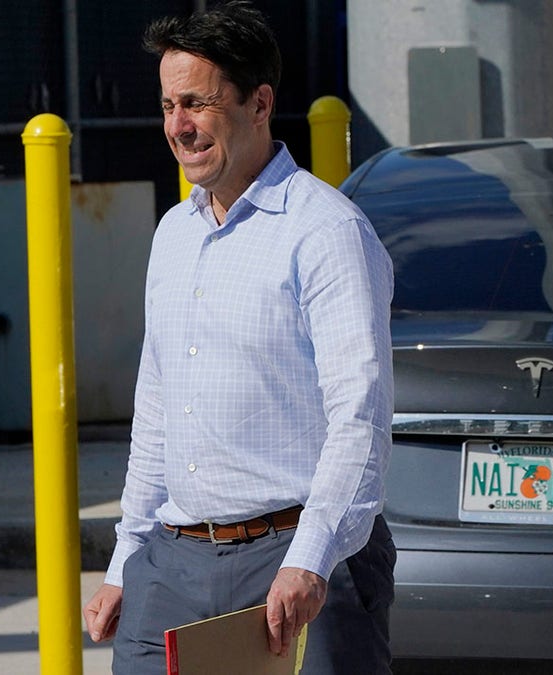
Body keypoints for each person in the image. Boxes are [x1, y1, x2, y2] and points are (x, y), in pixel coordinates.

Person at [81, 3, 396, 673]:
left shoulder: (327, 233)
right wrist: (123, 560)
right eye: (168, 104)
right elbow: (158, 412)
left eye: (196, 103)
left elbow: (359, 417)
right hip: (172, 564)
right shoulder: (174, 234)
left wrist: (311, 558)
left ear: (260, 103)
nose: (176, 126)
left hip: (297, 561)